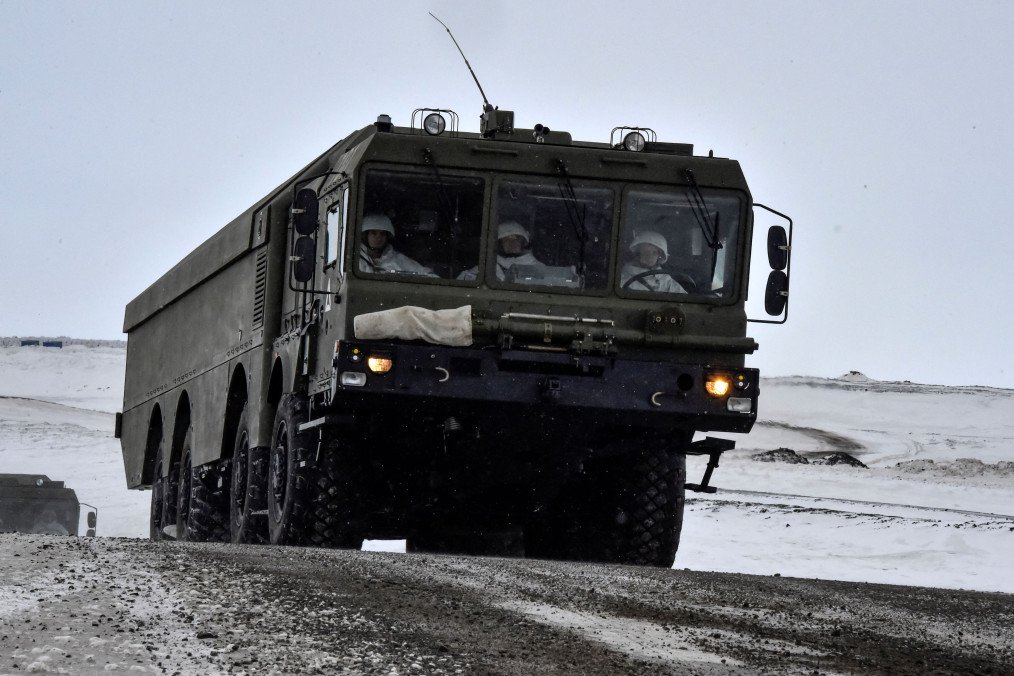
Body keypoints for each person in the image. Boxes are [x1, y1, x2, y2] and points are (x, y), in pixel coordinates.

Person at [457, 220, 546, 281]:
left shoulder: (538, 269)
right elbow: (463, 284)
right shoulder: (487, 268)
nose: (512, 243)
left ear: (523, 242)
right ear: (499, 244)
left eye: (516, 239)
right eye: (506, 240)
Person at [358, 213, 436, 276]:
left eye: (382, 234)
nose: (378, 238)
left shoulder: (398, 260)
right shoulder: (356, 262)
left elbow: (427, 275)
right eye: (373, 233)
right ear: (365, 236)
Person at [620, 230, 687, 293]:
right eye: (645, 252)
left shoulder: (665, 279)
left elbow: (683, 299)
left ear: (659, 256)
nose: (649, 256)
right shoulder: (625, 278)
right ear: (638, 254)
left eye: (654, 253)